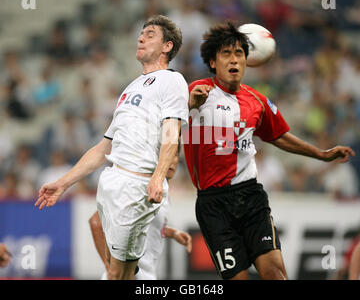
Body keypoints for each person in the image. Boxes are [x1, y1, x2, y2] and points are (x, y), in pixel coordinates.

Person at [182, 21, 355, 280]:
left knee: (275, 273)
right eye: (226, 54)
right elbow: (169, 123)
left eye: (239, 53)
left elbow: (279, 136)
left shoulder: (257, 101)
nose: (234, 59)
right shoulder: (198, 92)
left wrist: (320, 154)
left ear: (247, 61)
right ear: (213, 62)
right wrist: (189, 105)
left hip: (250, 196)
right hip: (213, 204)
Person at [35, 15, 189, 280]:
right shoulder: (130, 88)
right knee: (116, 271)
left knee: (118, 273)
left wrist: (158, 176)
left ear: (167, 46)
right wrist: (63, 183)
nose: (141, 38)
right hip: (111, 181)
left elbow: (171, 133)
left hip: (135, 184)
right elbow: (103, 148)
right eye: (141, 33)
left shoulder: (172, 81)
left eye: (150, 34)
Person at [89, 151, 192, 279]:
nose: (171, 160)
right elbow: (96, 221)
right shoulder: (142, 189)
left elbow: (147, 226)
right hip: (131, 275)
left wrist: (173, 233)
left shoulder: (162, 192)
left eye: (175, 155)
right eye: (167, 154)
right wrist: (111, 270)